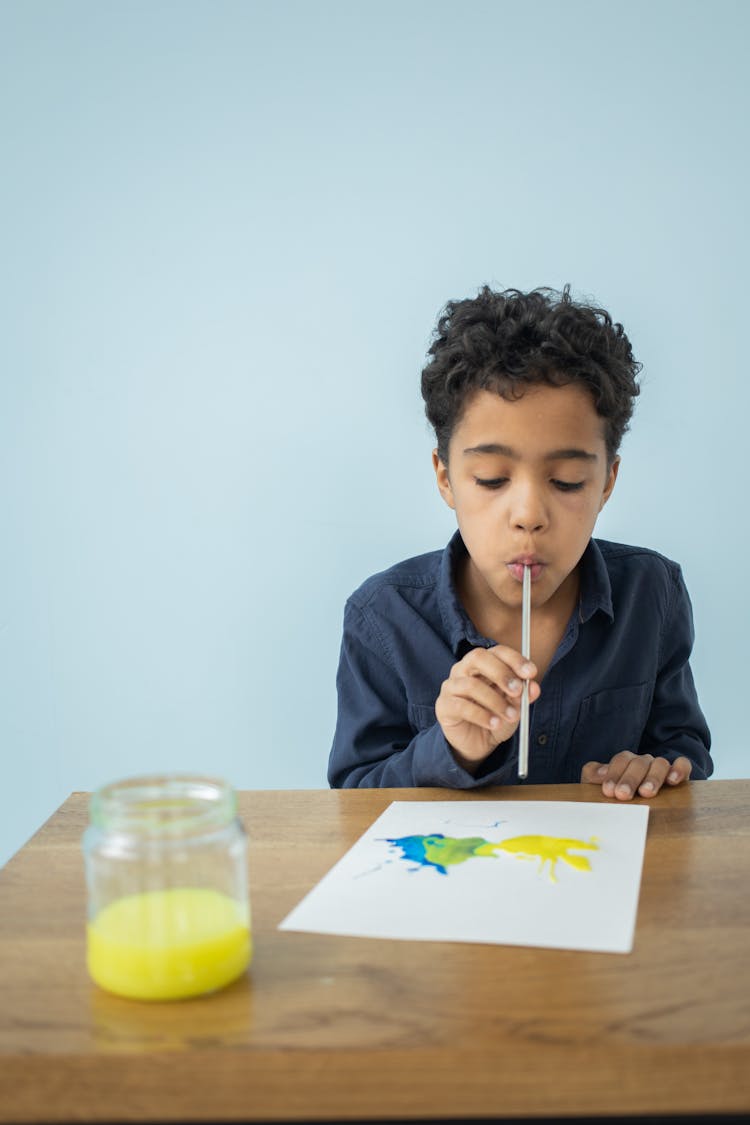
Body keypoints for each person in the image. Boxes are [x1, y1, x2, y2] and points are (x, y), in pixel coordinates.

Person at [328, 286, 712, 799]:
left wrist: (658, 768)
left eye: (569, 481)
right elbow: (353, 796)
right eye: (490, 478)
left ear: (606, 483)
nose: (529, 516)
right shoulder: (383, 616)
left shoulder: (653, 593)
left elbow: (684, 751)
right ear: (445, 477)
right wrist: (454, 750)